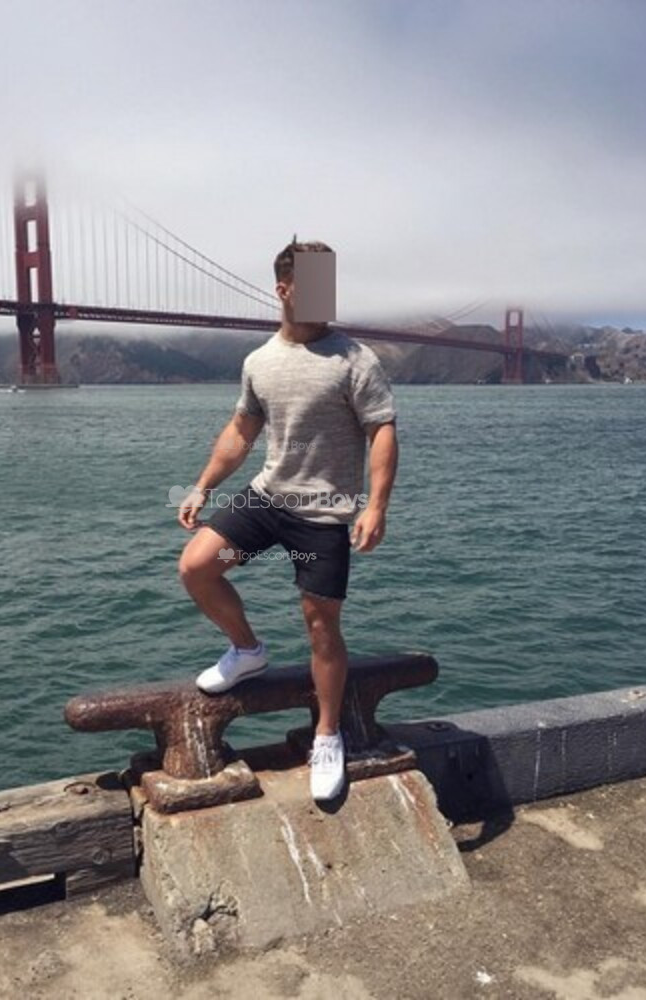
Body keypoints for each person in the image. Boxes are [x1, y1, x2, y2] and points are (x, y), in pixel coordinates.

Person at [177, 239, 398, 801]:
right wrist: (203, 486)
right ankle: (247, 650)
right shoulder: (259, 361)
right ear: (284, 289)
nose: (328, 295)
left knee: (320, 624)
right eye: (316, 283)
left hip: (321, 516)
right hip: (267, 501)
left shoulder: (356, 360)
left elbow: (382, 430)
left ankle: (326, 735)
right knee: (198, 567)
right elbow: (241, 433)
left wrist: (376, 505)